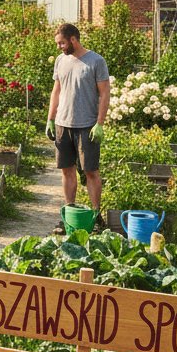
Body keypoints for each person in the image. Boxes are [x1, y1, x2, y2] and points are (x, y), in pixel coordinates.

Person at [45, 23, 111, 233]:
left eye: (62, 42)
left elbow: (105, 93)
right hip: (63, 124)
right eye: (58, 43)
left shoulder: (95, 61)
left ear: (73, 39)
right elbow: (56, 91)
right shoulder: (60, 60)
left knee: (90, 171)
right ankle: (69, 216)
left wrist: (100, 123)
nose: (59, 47)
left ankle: (96, 216)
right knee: (67, 170)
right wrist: (50, 119)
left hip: (87, 126)